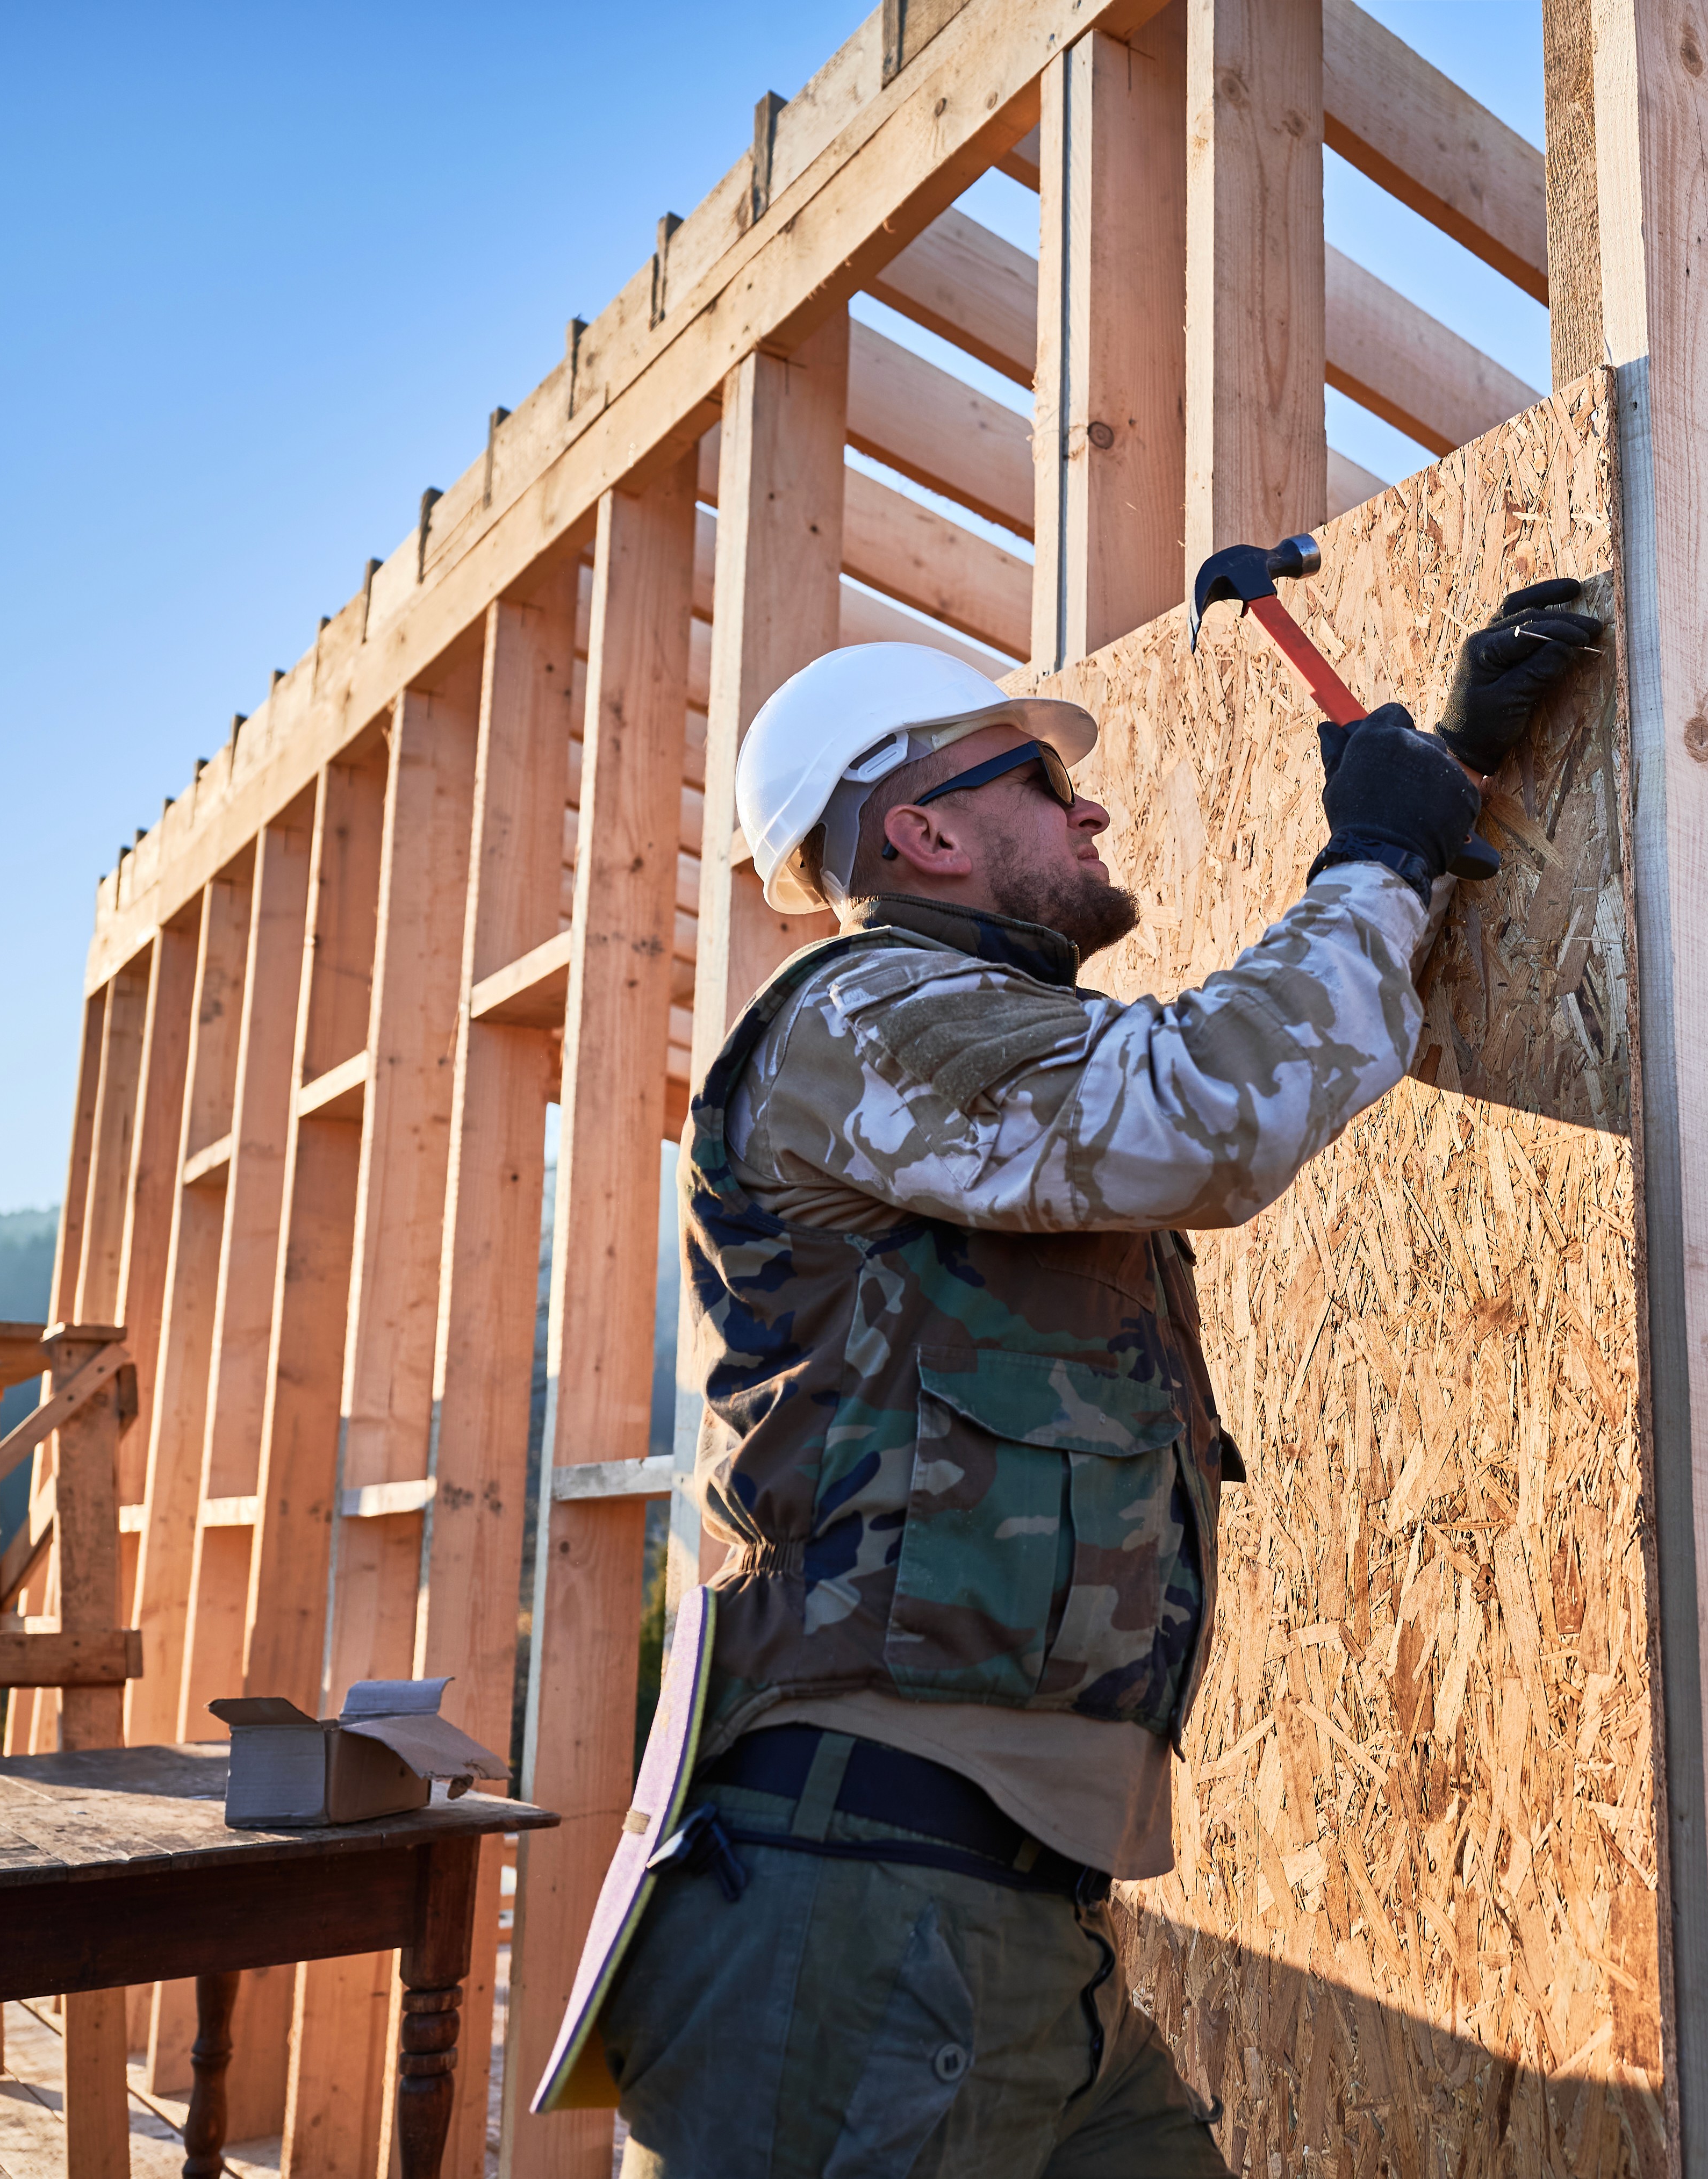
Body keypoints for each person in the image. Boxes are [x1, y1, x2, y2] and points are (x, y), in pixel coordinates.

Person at [533, 580, 1606, 2176]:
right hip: (858, 1921)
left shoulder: (982, 1056)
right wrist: (1381, 850)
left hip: (1004, 1927)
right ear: (925, 833)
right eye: (1038, 778)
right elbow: (1206, 1107)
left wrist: (1438, 786)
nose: (1087, 804)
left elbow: (1206, 1070)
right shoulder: (863, 1016)